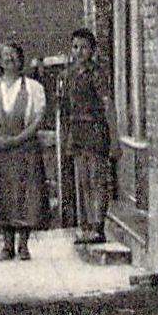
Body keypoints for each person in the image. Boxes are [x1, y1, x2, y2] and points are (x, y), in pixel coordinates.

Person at [0, 42, 49, 260]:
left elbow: (38, 118)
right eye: (4, 56)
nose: (9, 59)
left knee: (26, 195)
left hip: (24, 150)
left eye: (13, 55)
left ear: (21, 59)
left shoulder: (34, 88)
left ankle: (24, 246)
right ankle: (7, 246)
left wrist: (19, 138)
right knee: (1, 195)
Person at [64, 27, 117, 245]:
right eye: (75, 47)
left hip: (95, 129)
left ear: (92, 50)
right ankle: (86, 225)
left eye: (84, 47)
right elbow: (67, 108)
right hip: (77, 131)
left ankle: (98, 226)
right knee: (83, 180)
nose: (79, 52)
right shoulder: (69, 75)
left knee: (97, 179)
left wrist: (114, 137)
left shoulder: (97, 74)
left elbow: (108, 105)